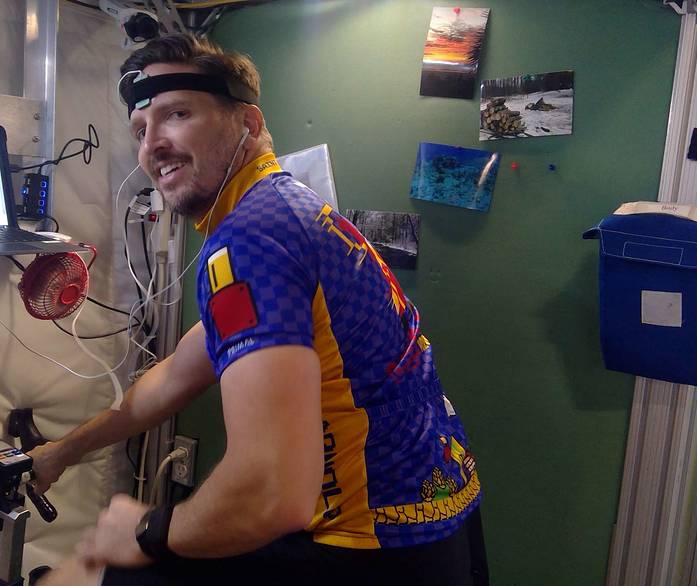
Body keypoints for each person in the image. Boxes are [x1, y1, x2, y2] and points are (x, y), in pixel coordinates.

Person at [33, 33, 486, 586]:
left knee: (95, 575)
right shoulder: (288, 209)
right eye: (140, 130)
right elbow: (177, 372)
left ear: (247, 123)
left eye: (177, 114)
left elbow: (270, 493)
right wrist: (63, 450)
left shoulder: (251, 239)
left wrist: (146, 530)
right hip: (437, 518)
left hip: (367, 546)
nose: (152, 146)